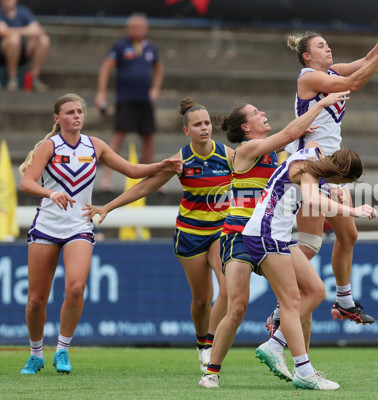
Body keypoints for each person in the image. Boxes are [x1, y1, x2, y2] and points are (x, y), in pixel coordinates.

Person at [18, 93, 182, 375]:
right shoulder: (49, 146)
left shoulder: (95, 145)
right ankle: (35, 353)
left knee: (76, 287)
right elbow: (26, 183)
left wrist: (160, 166)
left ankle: (62, 350)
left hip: (79, 225)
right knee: (35, 299)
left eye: (80, 111)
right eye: (69, 112)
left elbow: (131, 170)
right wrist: (51, 193)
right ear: (57, 118)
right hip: (46, 226)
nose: (77, 116)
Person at [199, 91, 350, 389]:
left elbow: (300, 171)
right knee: (238, 306)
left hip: (272, 234)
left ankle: (295, 360)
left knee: (310, 291)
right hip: (239, 235)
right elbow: (290, 134)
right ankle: (211, 371)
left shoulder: (278, 153)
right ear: (246, 127)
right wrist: (319, 105)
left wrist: (330, 190)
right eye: (256, 112)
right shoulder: (247, 149)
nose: (262, 112)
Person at [84, 98, 232, 374]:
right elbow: (143, 188)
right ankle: (202, 344)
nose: (204, 128)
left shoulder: (227, 155)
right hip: (190, 234)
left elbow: (253, 180)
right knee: (201, 299)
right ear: (186, 130)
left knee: (227, 286)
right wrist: (107, 207)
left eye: (207, 123)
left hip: (221, 232)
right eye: (197, 124)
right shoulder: (180, 161)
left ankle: (211, 343)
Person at [273, 24, 378, 330]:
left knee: (349, 235)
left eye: (328, 44)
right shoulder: (309, 77)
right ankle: (280, 309)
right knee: (309, 244)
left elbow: (364, 63)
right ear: (307, 56)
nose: (328, 49)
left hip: (330, 171)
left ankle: (344, 301)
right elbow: (354, 82)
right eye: (321, 46)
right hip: (312, 167)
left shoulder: (332, 72)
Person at [248, 145, 375, 390]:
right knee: (292, 300)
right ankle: (303, 370)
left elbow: (316, 185)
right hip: (266, 234)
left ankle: (275, 345)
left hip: (279, 235)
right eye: (343, 181)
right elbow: (312, 198)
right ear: (340, 174)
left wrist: (331, 189)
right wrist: (352, 210)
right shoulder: (309, 169)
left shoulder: (314, 153)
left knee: (316, 291)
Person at [95, 13, 164, 191]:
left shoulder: (150, 47)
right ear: (128, 28)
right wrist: (101, 93)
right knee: (119, 135)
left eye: (140, 27)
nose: (137, 30)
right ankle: (107, 177)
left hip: (145, 100)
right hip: (126, 99)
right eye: (134, 27)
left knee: (148, 136)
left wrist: (155, 89)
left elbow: (158, 68)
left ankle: (152, 177)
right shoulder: (120, 46)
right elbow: (106, 68)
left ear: (146, 29)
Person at [0, 0, 50, 91]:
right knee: (13, 39)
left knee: (43, 39)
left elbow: (37, 29)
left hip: (23, 50)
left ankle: (34, 78)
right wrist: (26, 31)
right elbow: (2, 31)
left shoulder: (24, 11)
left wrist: (17, 32)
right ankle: (12, 78)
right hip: (3, 52)